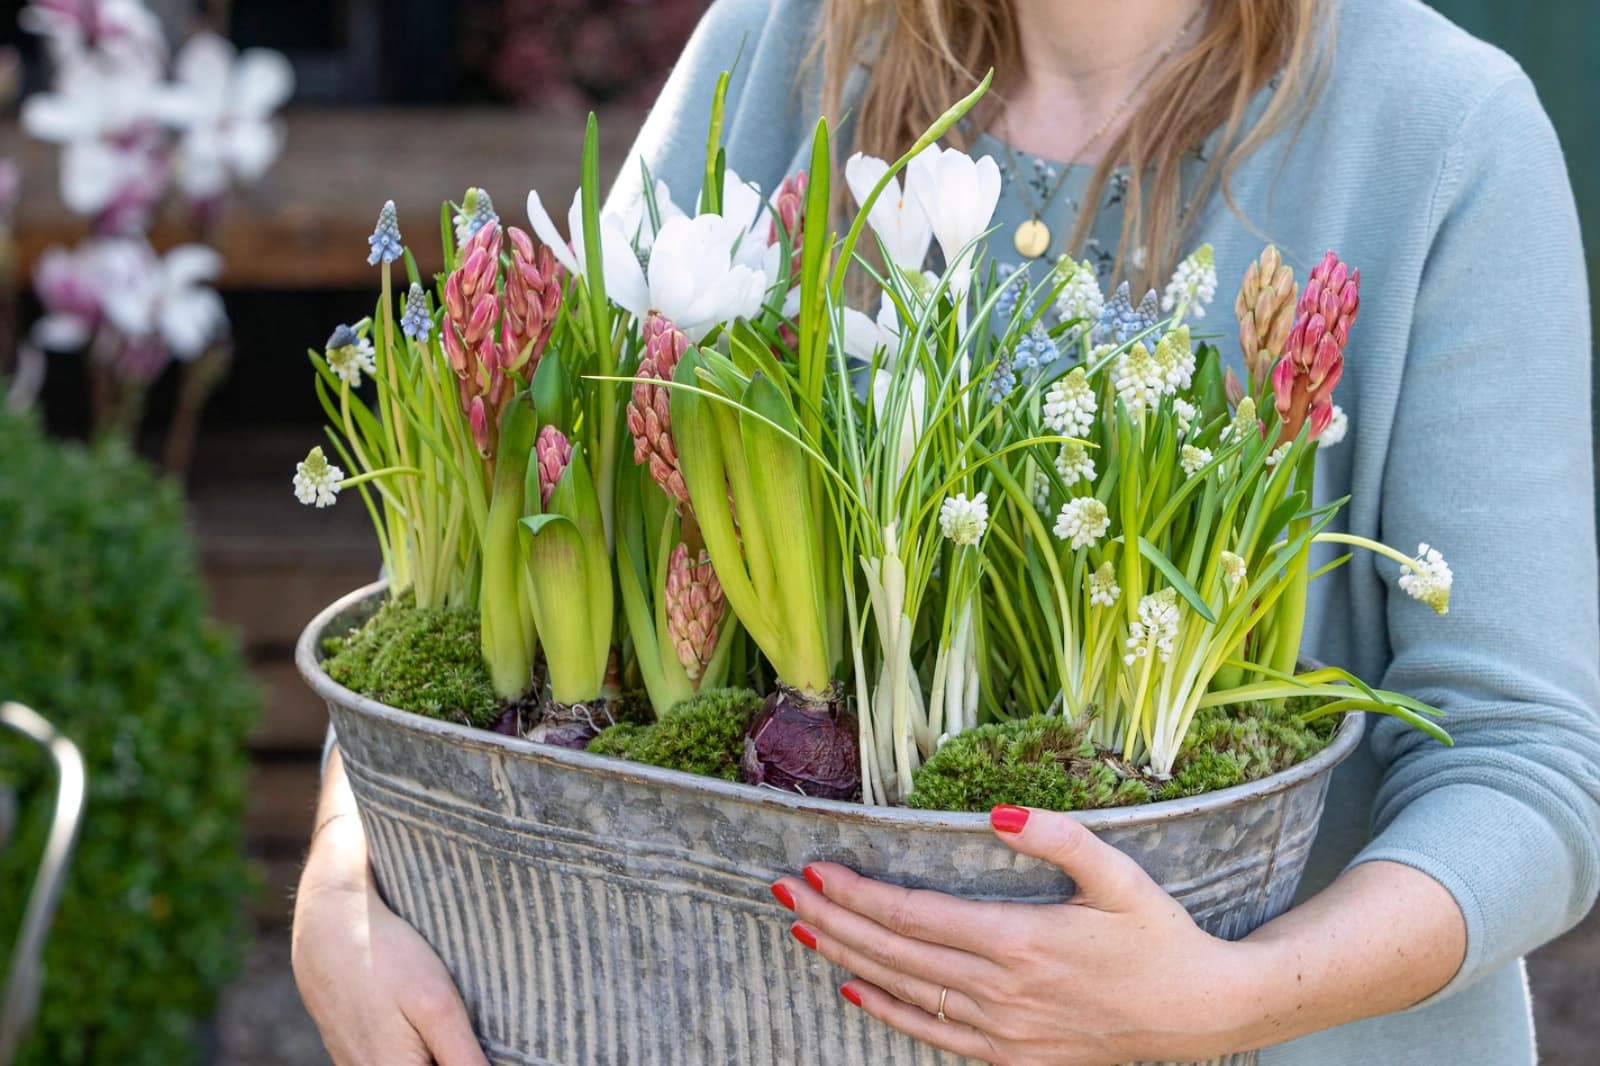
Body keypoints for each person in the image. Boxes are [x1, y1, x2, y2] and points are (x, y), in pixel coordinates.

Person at [292, 0, 1600, 1062]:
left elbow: (1531, 771)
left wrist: (1230, 998)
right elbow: (503, 538)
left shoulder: (1439, 132)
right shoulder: (783, 46)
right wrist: (348, 876)